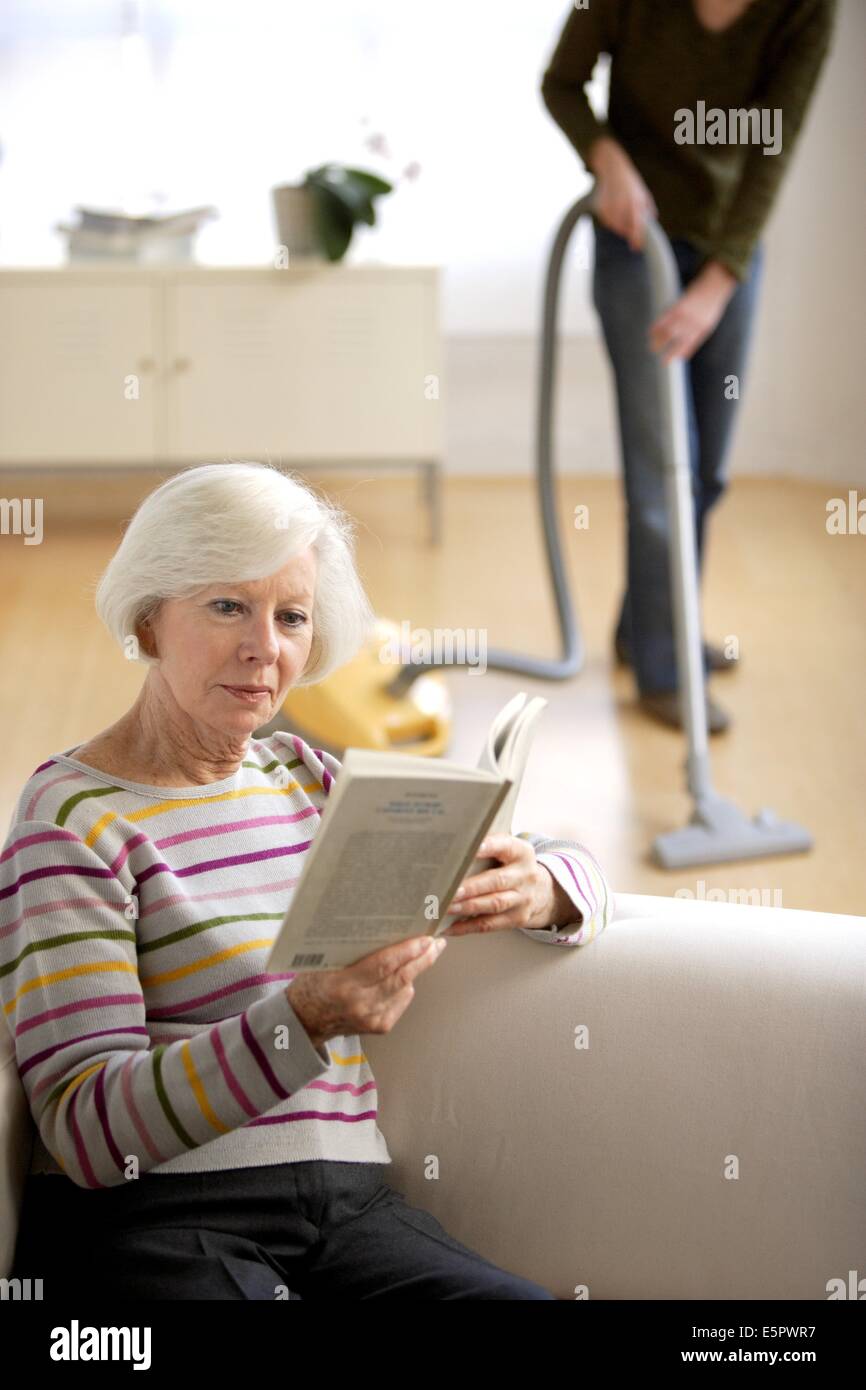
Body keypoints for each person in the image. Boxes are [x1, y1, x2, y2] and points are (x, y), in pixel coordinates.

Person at [1, 460, 613, 1301]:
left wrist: (543, 887)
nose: (265, 648)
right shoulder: (73, 815)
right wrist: (303, 1020)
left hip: (350, 1209)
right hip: (161, 1222)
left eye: (291, 615)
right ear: (149, 621)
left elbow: (565, 866)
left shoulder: (308, 779)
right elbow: (86, 1130)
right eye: (226, 606)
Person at [541, 0, 838, 732]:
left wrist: (717, 284)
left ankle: (648, 628)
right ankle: (665, 672)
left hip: (728, 247)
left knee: (702, 473)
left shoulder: (805, 10)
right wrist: (607, 159)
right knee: (659, 469)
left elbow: (775, 143)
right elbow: (562, 83)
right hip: (632, 236)